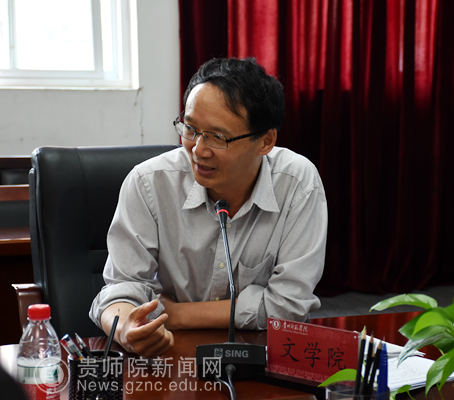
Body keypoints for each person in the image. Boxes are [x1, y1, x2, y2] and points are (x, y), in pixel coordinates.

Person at [89, 57, 327, 358]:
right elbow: (122, 289)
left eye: (218, 137)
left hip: (261, 357)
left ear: (265, 141)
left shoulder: (297, 184)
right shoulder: (149, 183)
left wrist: (176, 314)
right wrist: (125, 329)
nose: (198, 150)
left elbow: (288, 306)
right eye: (190, 128)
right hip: (170, 354)